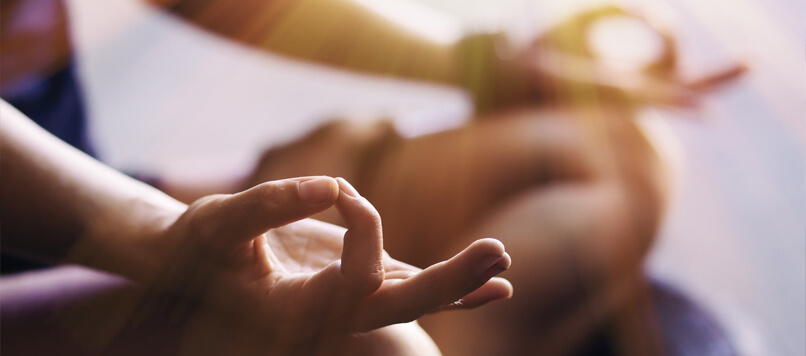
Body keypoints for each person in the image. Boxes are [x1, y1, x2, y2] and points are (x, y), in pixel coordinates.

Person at [0, 99, 514, 355]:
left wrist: (486, 57)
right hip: (71, 218)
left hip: (63, 180)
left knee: (565, 148)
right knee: (375, 347)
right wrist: (154, 235)